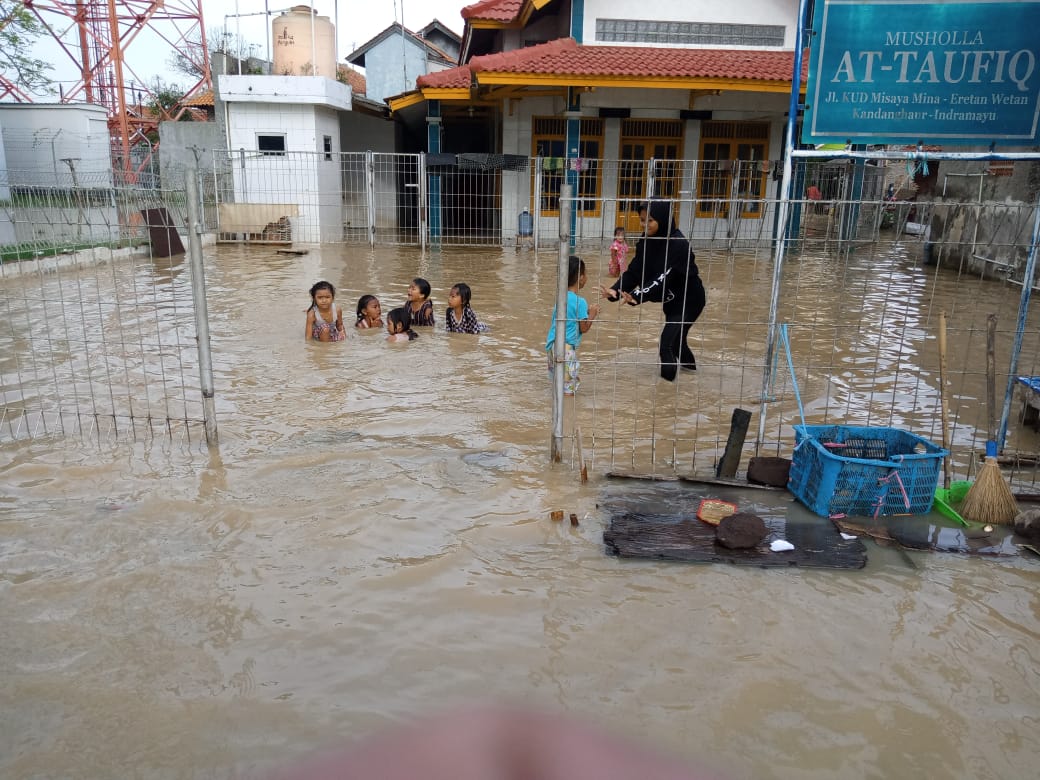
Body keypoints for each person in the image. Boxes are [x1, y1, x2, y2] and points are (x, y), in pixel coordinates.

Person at [599, 200, 706, 382]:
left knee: (667, 344)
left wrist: (638, 295)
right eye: (642, 220)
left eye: (649, 220)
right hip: (672, 300)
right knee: (678, 342)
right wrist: (616, 290)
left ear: (663, 219)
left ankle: (667, 392)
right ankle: (692, 378)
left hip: (690, 299)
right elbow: (635, 270)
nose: (644, 225)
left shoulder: (679, 244)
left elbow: (663, 278)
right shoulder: (646, 241)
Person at [546, 255, 600, 396]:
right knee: (568, 390)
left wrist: (586, 312)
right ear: (581, 277)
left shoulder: (561, 297)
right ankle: (568, 414)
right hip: (567, 348)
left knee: (558, 385)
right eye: (586, 273)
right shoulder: (580, 301)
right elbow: (584, 328)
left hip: (552, 345)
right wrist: (593, 314)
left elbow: (567, 317)